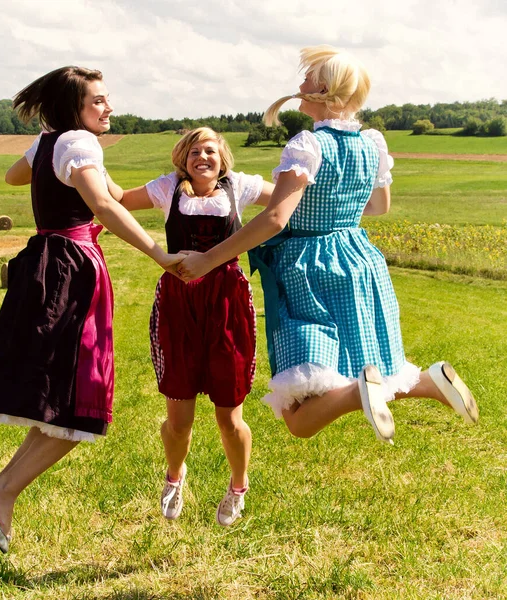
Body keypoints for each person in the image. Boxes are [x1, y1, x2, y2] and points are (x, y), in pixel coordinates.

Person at [177, 46, 478, 445]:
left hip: (308, 268)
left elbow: (275, 219)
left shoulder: (308, 146)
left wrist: (209, 259)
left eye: (307, 78)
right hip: (359, 259)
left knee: (296, 415)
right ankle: (430, 381)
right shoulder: (373, 143)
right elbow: (378, 205)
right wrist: (336, 210)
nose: (299, 84)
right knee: (362, 365)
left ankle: (358, 393)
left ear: (321, 89)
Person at [0, 66, 181, 553]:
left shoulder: (53, 143)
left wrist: (173, 184)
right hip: (72, 270)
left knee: (65, 399)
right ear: (74, 107)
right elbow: (105, 208)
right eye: (98, 101)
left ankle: (2, 488)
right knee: (81, 401)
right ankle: (2, 488)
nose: (108, 108)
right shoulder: (79, 144)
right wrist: (159, 254)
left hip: (48, 264)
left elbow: (15, 176)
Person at [116, 127, 274, 526]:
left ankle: (239, 486)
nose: (202, 157)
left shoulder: (240, 186)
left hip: (227, 302)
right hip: (179, 301)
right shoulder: (167, 188)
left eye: (210, 150)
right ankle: (174, 476)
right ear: (182, 157)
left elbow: (291, 200)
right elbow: (116, 201)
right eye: (194, 151)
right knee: (179, 415)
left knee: (229, 415)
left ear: (223, 156)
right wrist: (85, 163)